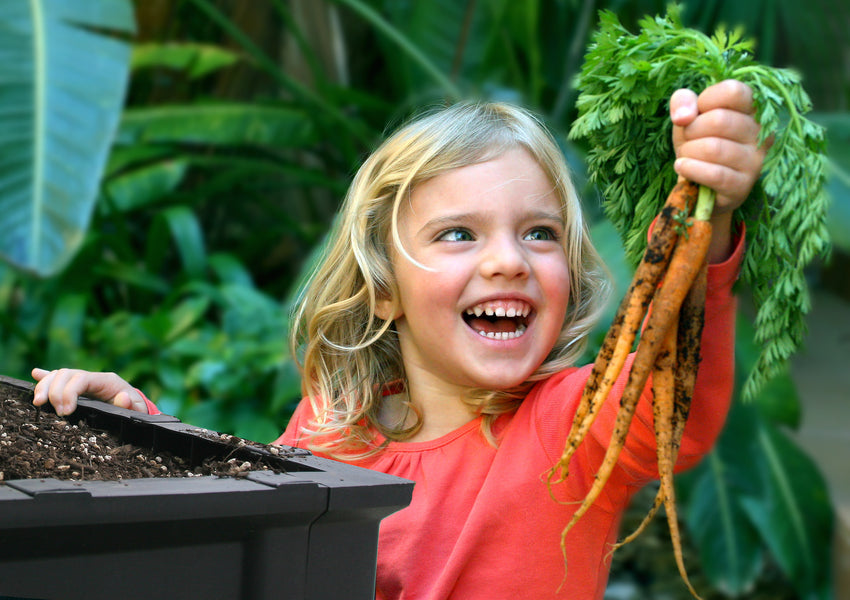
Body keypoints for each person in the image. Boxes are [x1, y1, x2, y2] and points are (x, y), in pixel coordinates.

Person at [32, 79, 766, 599]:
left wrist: (712, 214)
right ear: (384, 288)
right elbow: (250, 539)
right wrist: (133, 435)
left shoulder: (572, 424)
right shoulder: (332, 430)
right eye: (458, 234)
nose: (508, 258)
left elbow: (677, 400)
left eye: (539, 234)